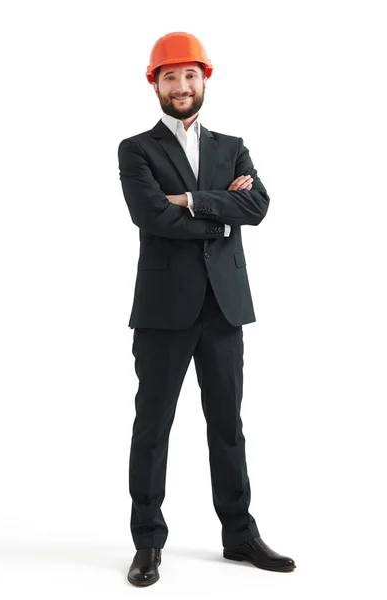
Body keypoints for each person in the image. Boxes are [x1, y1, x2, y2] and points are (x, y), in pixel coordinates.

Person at [118, 31, 296, 587]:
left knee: (228, 425)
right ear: (155, 83)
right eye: (169, 76)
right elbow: (150, 216)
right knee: (154, 426)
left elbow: (259, 205)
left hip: (224, 307)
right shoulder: (136, 149)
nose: (180, 85)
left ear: (204, 79)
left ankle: (239, 535)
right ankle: (147, 542)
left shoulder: (233, 146)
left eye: (189, 75)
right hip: (163, 311)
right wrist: (224, 211)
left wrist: (193, 199)